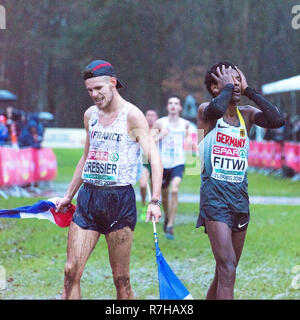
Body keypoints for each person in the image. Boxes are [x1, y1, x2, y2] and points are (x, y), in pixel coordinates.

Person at [56, 59, 163, 300]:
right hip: (88, 200)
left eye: (99, 89)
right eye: (90, 90)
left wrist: (155, 201)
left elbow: (155, 160)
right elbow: (86, 157)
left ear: (113, 83)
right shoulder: (90, 115)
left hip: (119, 202)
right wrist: (68, 196)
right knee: (70, 271)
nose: (94, 94)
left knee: (121, 280)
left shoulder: (132, 116)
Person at [196, 61, 285, 299]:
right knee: (227, 268)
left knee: (224, 270)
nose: (233, 83)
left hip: (240, 198)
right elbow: (215, 110)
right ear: (215, 88)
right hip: (214, 198)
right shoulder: (206, 112)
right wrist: (228, 88)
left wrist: (249, 91)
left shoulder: (246, 114)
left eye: (237, 79)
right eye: (226, 79)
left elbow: (277, 120)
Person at [153, 95, 189, 239]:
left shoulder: (185, 123)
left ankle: (170, 225)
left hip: (178, 162)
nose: (173, 106)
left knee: (174, 190)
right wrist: (161, 135)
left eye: (176, 103)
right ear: (167, 107)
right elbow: (149, 141)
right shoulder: (159, 122)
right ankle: (168, 216)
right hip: (163, 163)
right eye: (170, 103)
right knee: (165, 195)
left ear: (180, 107)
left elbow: (190, 141)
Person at [138, 109, 158, 221]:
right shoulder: (142, 129)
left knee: (154, 186)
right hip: (144, 161)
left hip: (155, 162)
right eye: (148, 115)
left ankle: (153, 208)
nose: (150, 117)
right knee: (143, 185)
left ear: (156, 117)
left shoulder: (159, 129)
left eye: (153, 115)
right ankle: (144, 205)